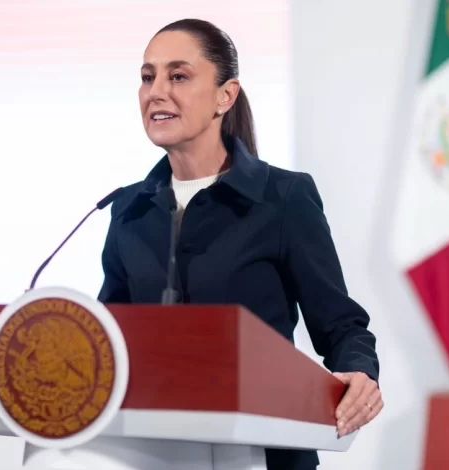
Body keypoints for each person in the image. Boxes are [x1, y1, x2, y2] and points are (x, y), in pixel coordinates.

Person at [97, 18, 382, 470]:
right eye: (148, 77)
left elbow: (341, 325)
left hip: (266, 451)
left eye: (178, 76)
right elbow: (107, 337)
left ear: (225, 96)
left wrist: (360, 371)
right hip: (156, 453)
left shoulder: (282, 198)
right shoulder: (130, 210)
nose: (156, 92)